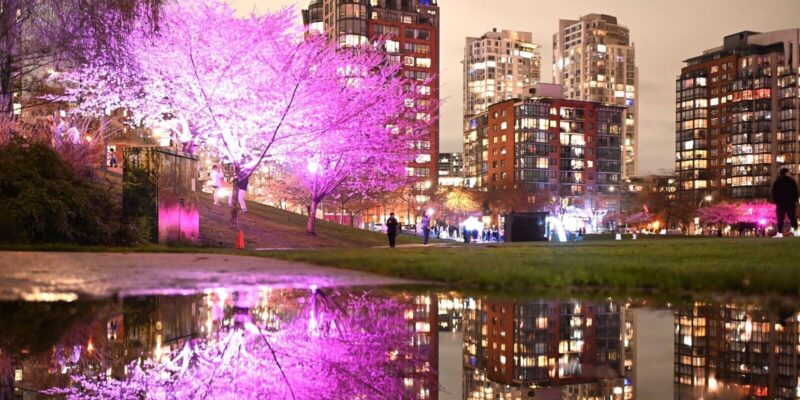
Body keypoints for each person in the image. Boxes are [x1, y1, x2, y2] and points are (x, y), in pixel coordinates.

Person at [771, 167, 799, 238]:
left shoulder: (777, 182)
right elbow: (796, 192)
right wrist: (795, 201)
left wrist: (776, 201)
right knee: (792, 217)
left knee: (780, 218)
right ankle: (795, 232)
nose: (790, 174)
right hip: (790, 202)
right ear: (786, 173)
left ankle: (780, 233)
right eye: (789, 172)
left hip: (780, 203)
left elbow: (774, 192)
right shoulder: (792, 181)